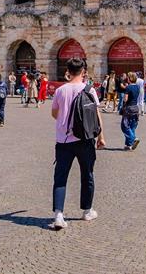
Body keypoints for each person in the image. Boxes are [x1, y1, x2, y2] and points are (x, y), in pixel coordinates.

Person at [50, 58, 105, 230]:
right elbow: (96, 115)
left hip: (64, 141)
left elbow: (54, 113)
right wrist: (101, 136)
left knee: (60, 178)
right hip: (86, 139)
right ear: (83, 72)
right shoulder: (89, 90)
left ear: (68, 71)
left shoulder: (60, 90)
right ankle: (87, 211)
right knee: (87, 175)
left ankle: (59, 215)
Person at [120, 72, 142, 151]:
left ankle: (134, 139)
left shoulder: (128, 87)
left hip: (129, 108)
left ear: (129, 79)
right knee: (132, 127)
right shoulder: (137, 87)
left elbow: (125, 99)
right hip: (136, 108)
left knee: (124, 126)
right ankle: (128, 145)